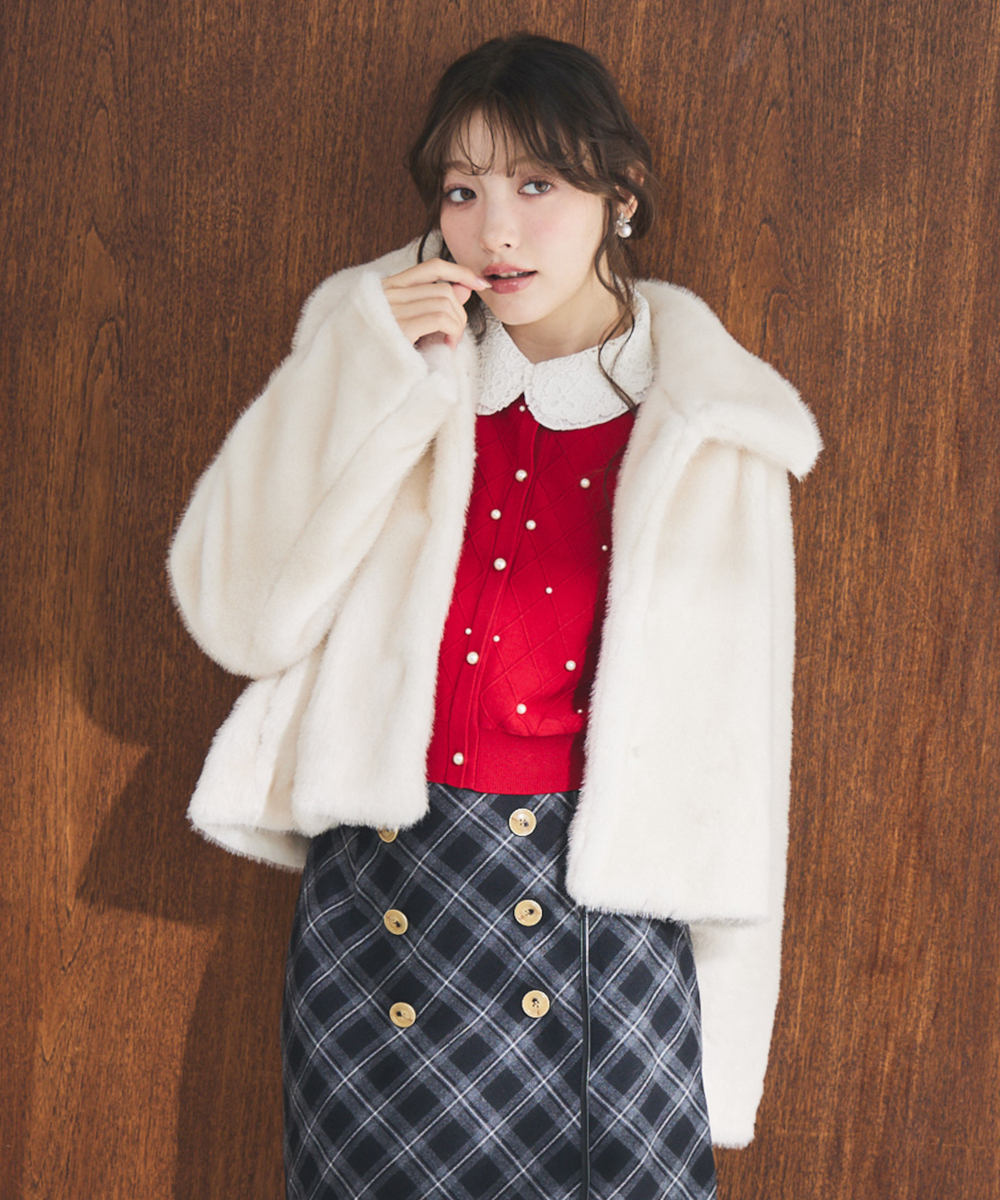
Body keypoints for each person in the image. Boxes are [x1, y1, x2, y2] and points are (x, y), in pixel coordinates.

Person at [168, 32, 821, 1200]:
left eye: (537, 184)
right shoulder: (388, 362)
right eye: (462, 190)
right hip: (383, 898)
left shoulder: (711, 430)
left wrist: (728, 1049)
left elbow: (731, 775)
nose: (495, 231)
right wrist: (362, 366)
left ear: (621, 194)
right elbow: (239, 621)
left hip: (595, 916)